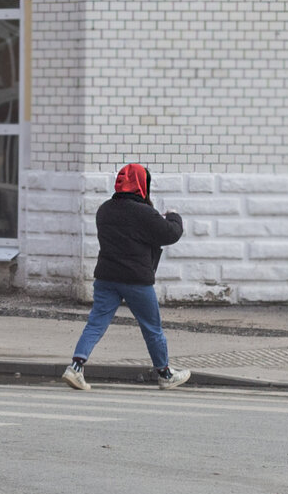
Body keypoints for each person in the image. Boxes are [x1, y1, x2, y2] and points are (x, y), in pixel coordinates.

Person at [62, 163, 191, 391]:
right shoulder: (144, 213)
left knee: (95, 323)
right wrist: (174, 217)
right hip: (136, 280)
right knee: (152, 328)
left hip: (106, 278)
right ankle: (165, 374)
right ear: (142, 185)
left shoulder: (104, 209)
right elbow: (169, 234)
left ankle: (76, 367)